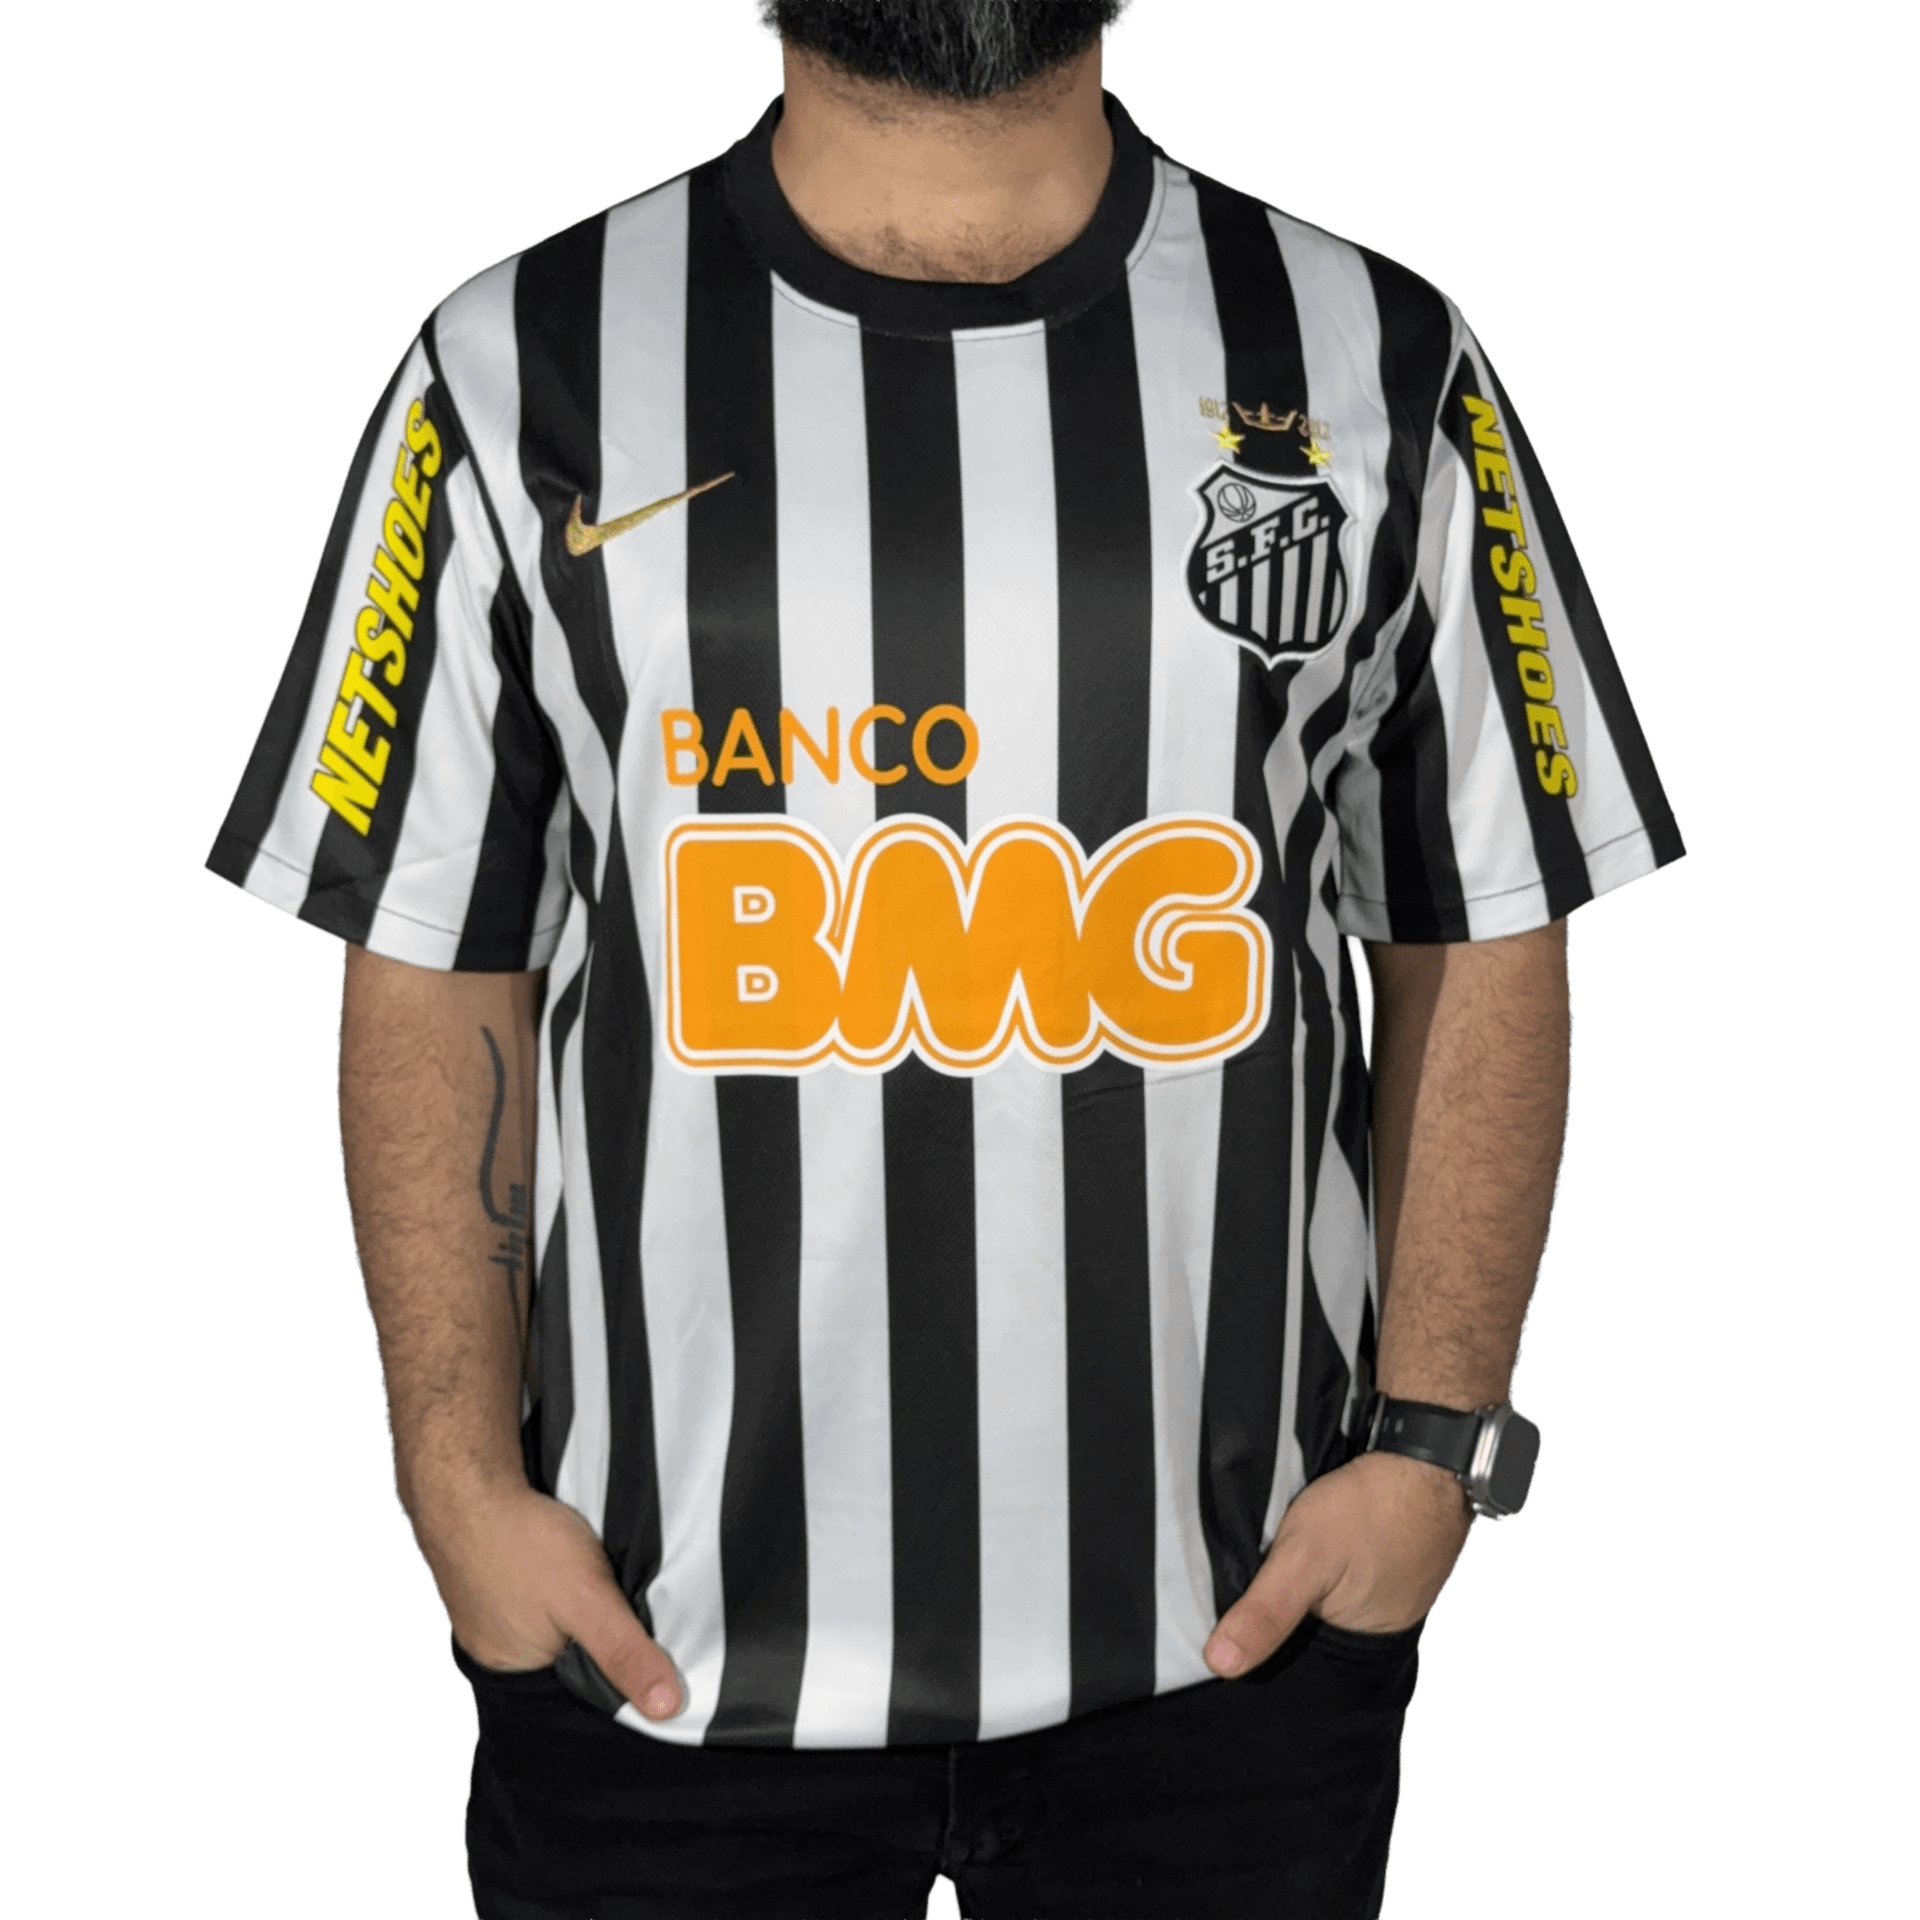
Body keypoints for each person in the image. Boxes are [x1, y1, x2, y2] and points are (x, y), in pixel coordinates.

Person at [207, 2, 1682, 1913]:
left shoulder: (1376, 357)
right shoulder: (514, 368)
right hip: (651, 1646)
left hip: (1236, 1647)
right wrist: (456, 1482)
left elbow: (1477, 917)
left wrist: (1430, 1444)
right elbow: (436, 950)